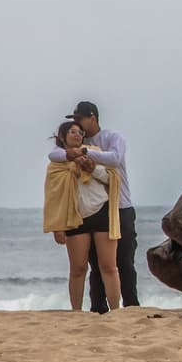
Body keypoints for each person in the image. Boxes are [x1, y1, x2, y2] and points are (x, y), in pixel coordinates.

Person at [49, 101, 139, 312]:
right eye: (74, 123)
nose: (77, 126)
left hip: (121, 205)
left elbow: (115, 159)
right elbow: (54, 155)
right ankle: (98, 308)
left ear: (93, 117)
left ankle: (131, 306)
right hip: (93, 209)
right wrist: (74, 152)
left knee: (123, 261)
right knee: (94, 265)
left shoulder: (110, 138)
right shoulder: (75, 142)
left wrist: (85, 152)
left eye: (80, 120)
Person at [43, 121, 122, 311]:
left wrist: (92, 168)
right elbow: (53, 196)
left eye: (80, 132)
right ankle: (76, 311)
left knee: (109, 266)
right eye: (72, 131)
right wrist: (57, 226)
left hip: (101, 211)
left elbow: (112, 178)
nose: (77, 135)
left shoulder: (92, 151)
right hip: (75, 216)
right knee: (78, 269)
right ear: (62, 136)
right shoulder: (57, 162)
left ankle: (116, 310)